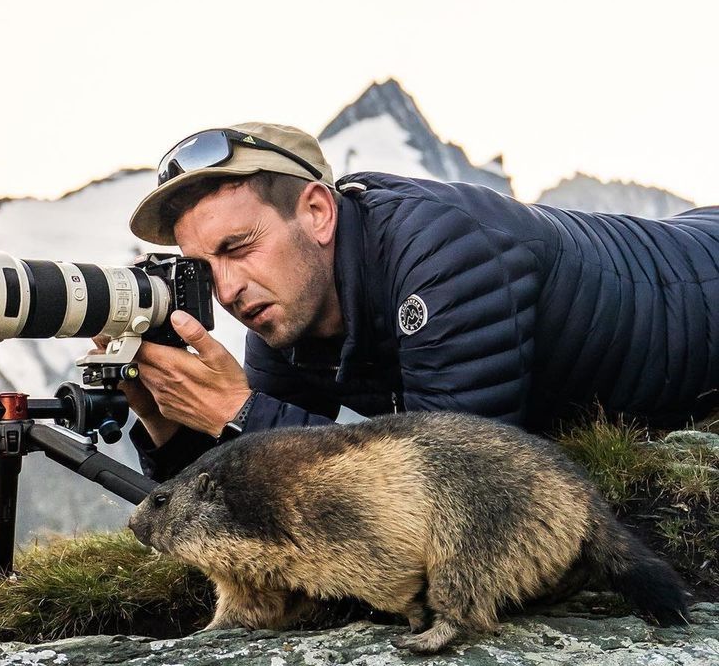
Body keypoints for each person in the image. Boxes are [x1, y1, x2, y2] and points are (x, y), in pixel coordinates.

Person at [107, 122, 719, 482]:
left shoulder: (445, 251)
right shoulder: (282, 313)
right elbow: (244, 507)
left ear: (317, 212)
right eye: (201, 266)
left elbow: (458, 483)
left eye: (239, 247)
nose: (226, 288)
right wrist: (170, 428)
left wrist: (241, 411)